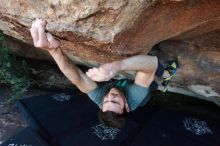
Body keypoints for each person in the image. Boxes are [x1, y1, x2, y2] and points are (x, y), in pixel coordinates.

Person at [30, 19, 177, 128]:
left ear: (102, 106)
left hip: (130, 85)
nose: (109, 97)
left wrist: (54, 50)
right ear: (126, 106)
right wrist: (117, 66)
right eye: (115, 101)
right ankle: (166, 76)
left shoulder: (101, 100)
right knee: (150, 80)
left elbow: (78, 78)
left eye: (107, 101)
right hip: (143, 95)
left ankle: (162, 84)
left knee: (148, 76)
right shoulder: (135, 97)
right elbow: (151, 63)